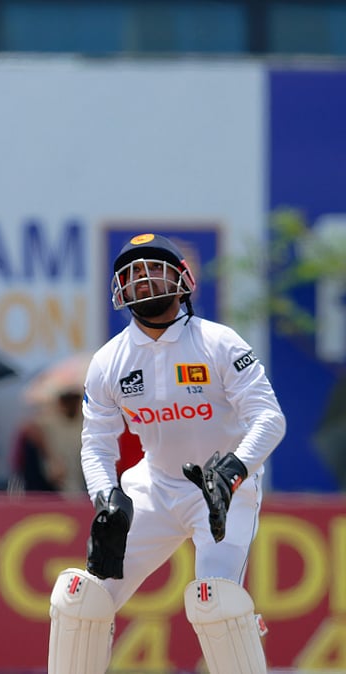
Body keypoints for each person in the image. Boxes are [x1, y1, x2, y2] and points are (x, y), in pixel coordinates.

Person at [47, 233, 286, 674]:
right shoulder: (109, 361)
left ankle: (244, 632)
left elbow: (269, 418)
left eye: (154, 268)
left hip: (223, 492)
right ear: (120, 288)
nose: (143, 278)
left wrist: (233, 471)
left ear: (182, 279)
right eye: (132, 272)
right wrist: (106, 497)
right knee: (80, 600)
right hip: (153, 487)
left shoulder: (219, 342)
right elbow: (96, 442)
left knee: (216, 603)